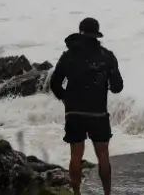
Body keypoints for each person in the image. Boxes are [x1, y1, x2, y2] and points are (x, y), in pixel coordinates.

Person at [49, 17, 124, 195]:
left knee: (76, 154)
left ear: (80, 32)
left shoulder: (68, 56)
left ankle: (76, 193)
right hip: (98, 112)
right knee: (103, 154)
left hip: (74, 112)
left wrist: (66, 99)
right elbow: (117, 87)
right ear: (97, 34)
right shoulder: (107, 56)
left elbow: (54, 83)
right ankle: (107, 193)